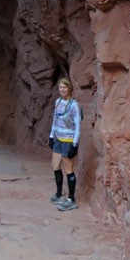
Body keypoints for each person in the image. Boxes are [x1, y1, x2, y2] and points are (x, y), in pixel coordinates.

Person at [48, 78, 81, 211]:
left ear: (69, 89)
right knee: (55, 165)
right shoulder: (58, 102)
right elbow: (55, 120)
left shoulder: (74, 105)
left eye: (65, 87)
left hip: (68, 141)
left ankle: (71, 199)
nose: (62, 90)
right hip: (58, 139)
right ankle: (59, 193)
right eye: (60, 87)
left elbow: (78, 125)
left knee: (68, 168)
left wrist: (75, 144)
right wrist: (51, 136)